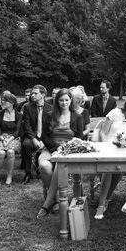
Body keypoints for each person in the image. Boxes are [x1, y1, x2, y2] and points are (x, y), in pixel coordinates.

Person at [94, 89, 126, 219]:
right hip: (109, 147)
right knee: (108, 169)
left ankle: (106, 199)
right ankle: (101, 204)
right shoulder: (115, 113)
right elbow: (103, 132)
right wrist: (106, 146)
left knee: (119, 168)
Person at [36, 88, 83, 218]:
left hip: (69, 150)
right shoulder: (50, 115)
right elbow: (44, 136)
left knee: (58, 166)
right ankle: (56, 199)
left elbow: (79, 138)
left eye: (66, 100)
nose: (64, 103)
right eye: (61, 100)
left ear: (71, 100)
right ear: (57, 101)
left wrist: (66, 148)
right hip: (51, 148)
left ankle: (46, 204)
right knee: (44, 166)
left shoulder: (77, 117)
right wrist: (56, 147)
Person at [20, 85, 52, 184]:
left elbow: (51, 127)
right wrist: (33, 139)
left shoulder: (51, 108)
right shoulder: (27, 107)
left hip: (45, 137)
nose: (32, 95)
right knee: (26, 144)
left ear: (43, 95)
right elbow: (27, 126)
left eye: (35, 93)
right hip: (32, 136)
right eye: (32, 93)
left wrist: (44, 140)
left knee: (52, 145)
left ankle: (41, 169)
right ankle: (28, 173)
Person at [0, 93, 22, 185]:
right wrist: (3, 138)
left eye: (5, 100)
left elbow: (18, 130)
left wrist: (9, 139)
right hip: (0, 137)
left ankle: (9, 176)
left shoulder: (18, 115)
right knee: (1, 152)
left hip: (14, 138)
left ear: (11, 102)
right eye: (2, 100)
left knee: (10, 152)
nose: (2, 102)